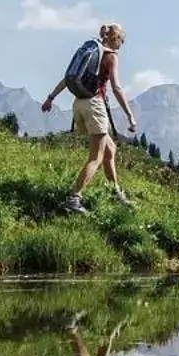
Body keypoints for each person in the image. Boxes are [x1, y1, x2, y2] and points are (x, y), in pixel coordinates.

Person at [40, 22, 137, 214]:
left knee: (110, 149)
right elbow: (117, 88)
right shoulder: (110, 56)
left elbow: (68, 77)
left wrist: (51, 97)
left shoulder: (90, 51)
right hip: (94, 105)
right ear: (116, 38)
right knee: (96, 157)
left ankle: (114, 191)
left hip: (79, 104)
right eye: (122, 41)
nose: (121, 46)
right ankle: (74, 198)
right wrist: (130, 115)